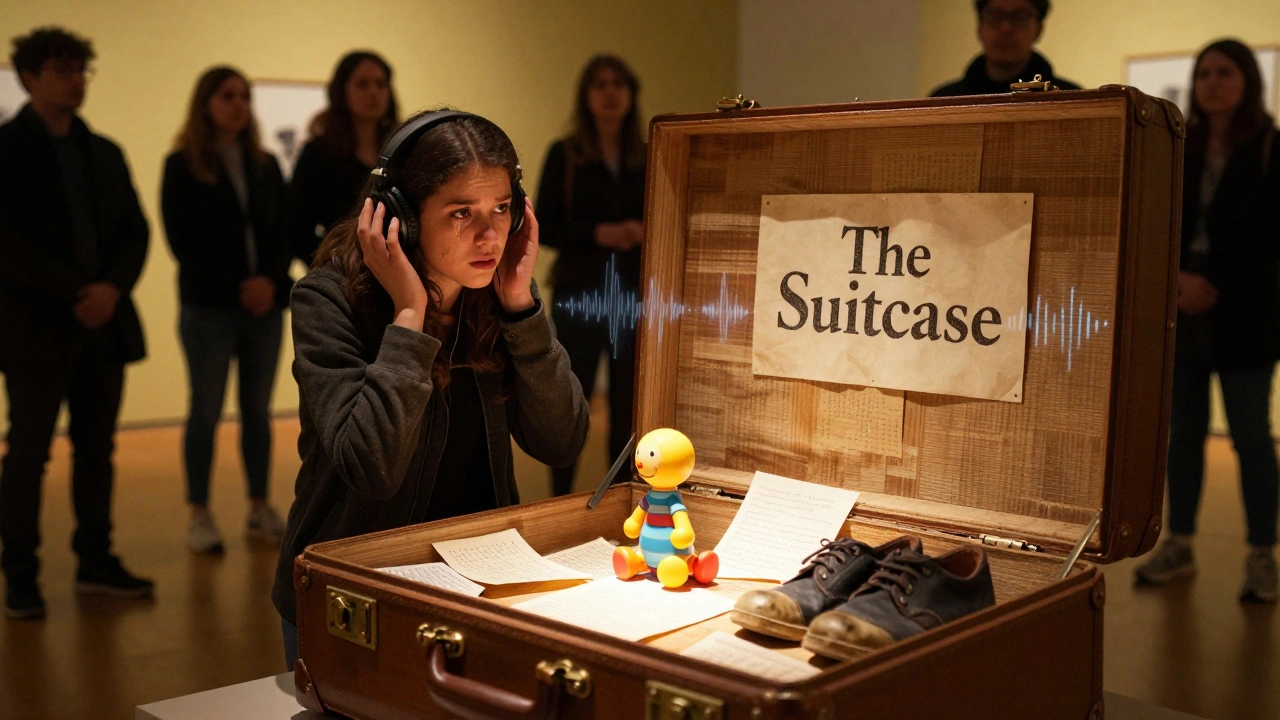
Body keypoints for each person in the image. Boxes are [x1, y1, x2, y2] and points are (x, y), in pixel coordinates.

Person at [271, 110, 590, 668]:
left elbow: (561, 442)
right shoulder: (325, 300)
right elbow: (373, 468)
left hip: (472, 581)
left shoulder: (499, 290)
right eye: (461, 213)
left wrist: (520, 309)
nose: (489, 236)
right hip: (354, 586)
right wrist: (411, 313)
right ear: (402, 219)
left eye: (501, 209)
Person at [0, 27, 153, 620]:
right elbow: (7, 243)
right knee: (28, 451)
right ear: (30, 77)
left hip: (102, 327)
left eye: (81, 68)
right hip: (37, 329)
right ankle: (19, 571)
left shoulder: (103, 152)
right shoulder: (6, 151)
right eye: (63, 68)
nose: (76, 79)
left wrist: (111, 289)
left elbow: (135, 231)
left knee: (97, 449)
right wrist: (78, 293)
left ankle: (95, 560)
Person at [1134, 39, 1280, 604]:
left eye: (1226, 72)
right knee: (1183, 439)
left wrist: (1208, 284)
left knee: (1251, 441)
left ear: (1247, 80)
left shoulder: (1270, 147)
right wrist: (1176, 284)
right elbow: (1156, 221)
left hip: (1247, 317)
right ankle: (1180, 544)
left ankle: (1262, 556)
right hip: (1181, 313)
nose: (1214, 82)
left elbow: (1270, 240)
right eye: (1205, 73)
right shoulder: (1180, 146)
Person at [161, 67, 292, 554]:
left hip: (265, 308)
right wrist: (242, 286)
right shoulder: (182, 165)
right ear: (205, 103)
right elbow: (184, 242)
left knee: (257, 411)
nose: (238, 104)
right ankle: (200, 513)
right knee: (206, 410)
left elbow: (283, 233)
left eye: (244, 96)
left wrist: (268, 283)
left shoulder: (266, 165)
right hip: (209, 309)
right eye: (227, 95)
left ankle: (259, 507)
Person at [535, 55, 646, 496]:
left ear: (631, 93)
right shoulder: (565, 154)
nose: (610, 92)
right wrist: (601, 232)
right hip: (579, 291)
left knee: (628, 403)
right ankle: (558, 498)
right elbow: (542, 222)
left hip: (634, 292)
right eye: (600, 84)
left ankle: (621, 495)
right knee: (571, 398)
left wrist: (640, 231)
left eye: (619, 83)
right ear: (585, 95)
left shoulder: (648, 151)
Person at [288, 51, 399, 265]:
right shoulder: (318, 153)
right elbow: (298, 231)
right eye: (362, 84)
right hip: (340, 271)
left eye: (380, 84)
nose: (373, 92)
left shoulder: (402, 150)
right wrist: (334, 264)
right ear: (342, 92)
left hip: (396, 266)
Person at [929, 0, 1080, 97]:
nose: (1006, 28)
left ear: (1039, 29)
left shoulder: (1070, 98)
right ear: (980, 27)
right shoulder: (944, 100)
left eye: (1020, 17)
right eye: (995, 16)